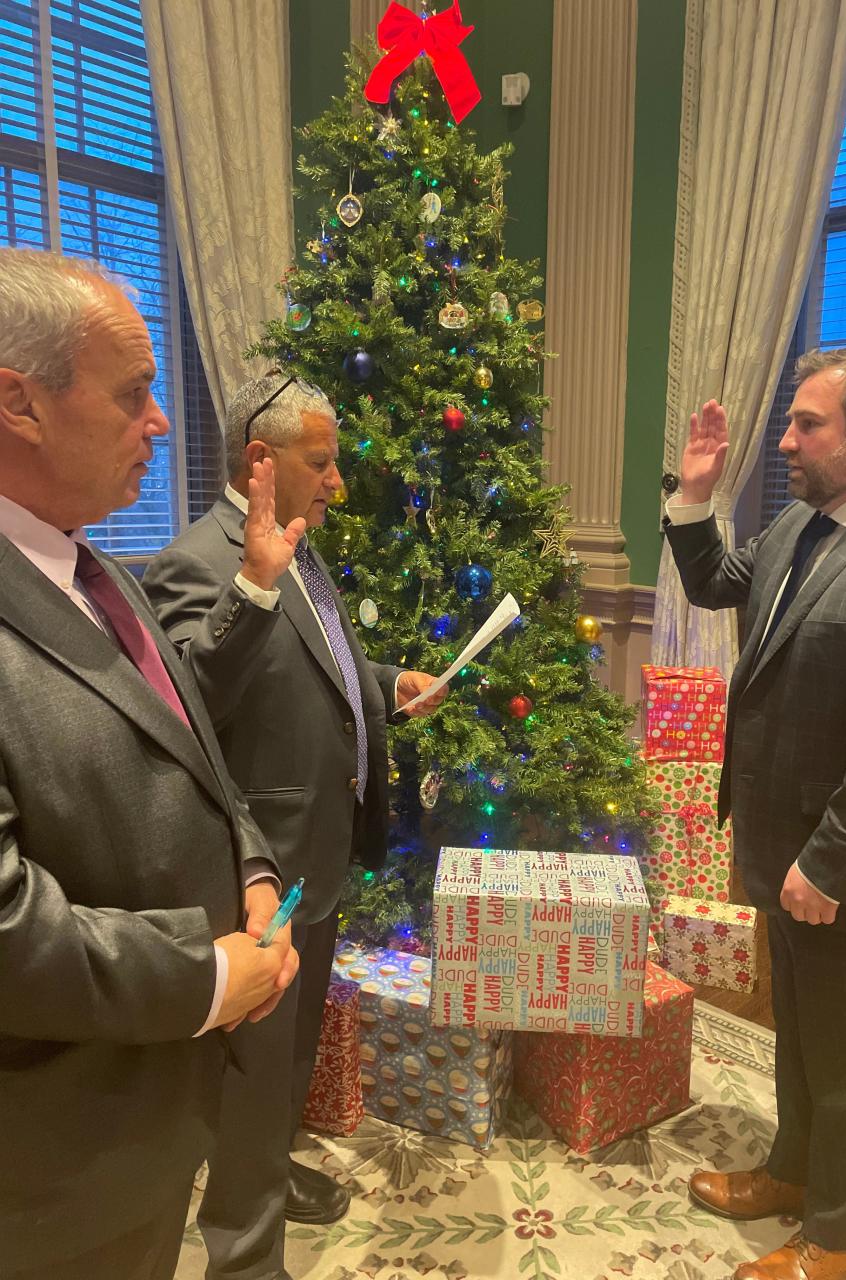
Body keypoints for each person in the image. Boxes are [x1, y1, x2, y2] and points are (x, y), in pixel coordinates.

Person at [0, 248, 299, 1280]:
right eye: (134, 395)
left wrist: (251, 868)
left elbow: (195, 744)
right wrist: (211, 972)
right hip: (49, 1171)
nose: (162, 423)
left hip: (147, 1123)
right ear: (19, 402)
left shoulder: (96, 566)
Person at [663, 340, 846, 1280]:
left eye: (807, 423)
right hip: (783, 846)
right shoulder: (802, 524)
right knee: (804, 1030)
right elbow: (716, 584)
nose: (784, 440)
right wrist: (697, 493)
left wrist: (828, 866)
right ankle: (795, 1174)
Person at [143, 372, 445, 1280]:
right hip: (257, 866)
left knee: (294, 1046)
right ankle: (244, 1252)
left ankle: (269, 1172)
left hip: (321, 847)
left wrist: (388, 683)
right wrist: (252, 585)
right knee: (253, 1066)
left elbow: (328, 661)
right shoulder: (201, 561)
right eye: (324, 461)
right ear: (261, 459)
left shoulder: (301, 548)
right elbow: (189, 700)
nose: (338, 481)